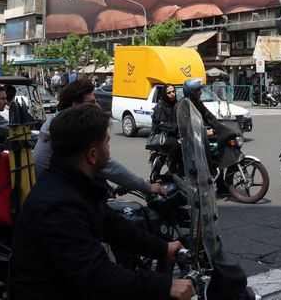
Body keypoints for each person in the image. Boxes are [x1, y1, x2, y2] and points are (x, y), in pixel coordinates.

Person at [10, 104, 195, 300]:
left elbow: (114, 227)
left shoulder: (77, 186)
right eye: (107, 143)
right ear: (92, 155)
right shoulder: (57, 205)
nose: (109, 148)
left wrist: (163, 248)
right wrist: (167, 286)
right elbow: (97, 275)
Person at [34, 79, 164, 195]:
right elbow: (107, 165)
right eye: (91, 103)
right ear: (75, 106)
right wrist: (146, 187)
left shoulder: (57, 121)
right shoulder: (71, 129)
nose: (97, 106)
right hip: (62, 194)